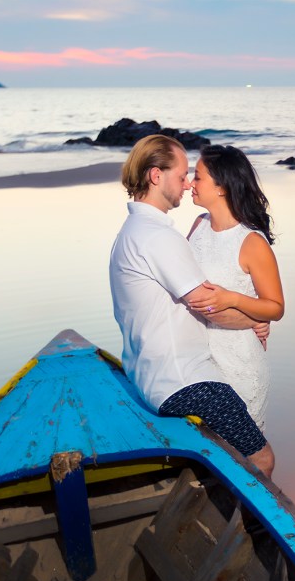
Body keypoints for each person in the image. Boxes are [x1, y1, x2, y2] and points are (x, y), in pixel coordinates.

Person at [109, 135, 274, 476]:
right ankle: (251, 530)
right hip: (184, 381)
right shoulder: (158, 237)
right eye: (183, 174)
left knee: (228, 455)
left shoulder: (134, 229)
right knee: (261, 459)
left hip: (149, 373)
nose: (186, 185)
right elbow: (207, 306)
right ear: (156, 176)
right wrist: (255, 318)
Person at [184, 146, 284, 431]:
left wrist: (233, 299)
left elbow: (275, 307)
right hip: (199, 360)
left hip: (239, 363)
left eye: (198, 177)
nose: (191, 183)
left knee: (243, 454)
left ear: (221, 187)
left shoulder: (251, 242)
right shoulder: (198, 226)